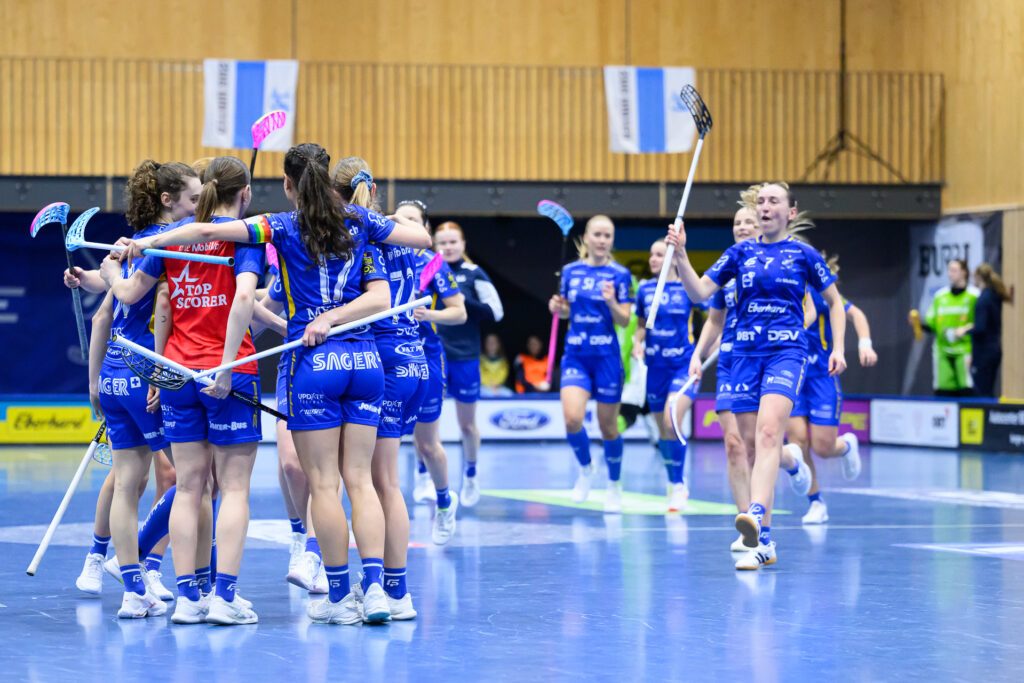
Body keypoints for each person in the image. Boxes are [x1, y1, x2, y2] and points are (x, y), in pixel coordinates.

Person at [121, 144, 432, 625]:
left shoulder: (279, 226)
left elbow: (205, 230)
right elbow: (420, 243)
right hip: (367, 361)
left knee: (323, 484)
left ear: (287, 185)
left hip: (314, 362)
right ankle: (376, 591)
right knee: (362, 481)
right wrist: (373, 217)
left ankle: (339, 597)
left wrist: (146, 244)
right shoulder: (361, 221)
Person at [103, 156, 270, 624]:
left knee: (189, 486)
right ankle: (224, 597)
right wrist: (226, 366)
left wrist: (113, 268)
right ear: (245, 193)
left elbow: (144, 299)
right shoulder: (247, 237)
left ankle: (189, 599)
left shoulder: (170, 237)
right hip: (227, 371)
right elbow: (244, 298)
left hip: (177, 371)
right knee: (232, 488)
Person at [670, 182, 846, 570]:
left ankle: (757, 523)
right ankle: (768, 527)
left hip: (786, 353)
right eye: (761, 201)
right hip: (744, 356)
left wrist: (839, 348)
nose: (765, 206)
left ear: (790, 212)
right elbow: (699, 293)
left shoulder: (804, 254)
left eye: (773, 201)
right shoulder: (738, 254)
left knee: (768, 434)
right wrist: (681, 254)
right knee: (748, 444)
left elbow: (834, 303)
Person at [67, 161, 200, 615]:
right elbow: (150, 302)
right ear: (168, 200)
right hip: (146, 373)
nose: (198, 208)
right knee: (195, 478)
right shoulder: (169, 242)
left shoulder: (137, 243)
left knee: (127, 484)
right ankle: (160, 565)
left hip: (113, 372)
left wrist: (94, 383)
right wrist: (161, 371)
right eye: (193, 199)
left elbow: (109, 305)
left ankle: (132, 590)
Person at [330, 156, 428, 619]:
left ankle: (394, 592)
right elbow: (423, 237)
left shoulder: (360, 232)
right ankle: (395, 589)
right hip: (415, 358)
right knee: (387, 480)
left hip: (383, 358)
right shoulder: (400, 232)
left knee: (377, 481)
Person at [548, 215, 633, 513]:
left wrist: (611, 302)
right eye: (597, 234)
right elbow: (566, 311)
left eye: (607, 236)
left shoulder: (620, 275)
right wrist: (558, 308)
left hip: (607, 358)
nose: (602, 240)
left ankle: (614, 484)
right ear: (586, 237)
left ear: (612, 240)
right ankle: (585, 469)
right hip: (576, 355)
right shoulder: (570, 272)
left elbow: (625, 320)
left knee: (608, 427)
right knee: (572, 420)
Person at [786, 252, 876, 525]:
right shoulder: (780, 289)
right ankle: (816, 502)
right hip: (792, 373)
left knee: (823, 447)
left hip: (822, 376)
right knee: (798, 442)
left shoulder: (820, 290)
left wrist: (864, 343)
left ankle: (846, 446)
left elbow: (856, 314)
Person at [399, 201, 467, 546]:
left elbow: (459, 312)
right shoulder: (380, 256)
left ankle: (444, 501)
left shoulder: (433, 264)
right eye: (401, 220)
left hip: (426, 357)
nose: (407, 225)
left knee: (427, 443)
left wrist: (430, 316)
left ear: (425, 228)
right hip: (389, 358)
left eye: (414, 220)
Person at [434, 221, 505, 507]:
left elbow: (496, 312)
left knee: (467, 425)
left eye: (453, 242)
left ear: (463, 244)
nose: (448, 247)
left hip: (465, 356)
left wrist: (464, 301)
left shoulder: (475, 273)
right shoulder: (427, 269)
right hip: (433, 354)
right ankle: (425, 476)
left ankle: (471, 474)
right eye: (442, 243)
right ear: (435, 245)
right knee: (427, 422)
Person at [634, 238, 701, 513]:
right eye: (652, 254)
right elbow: (641, 325)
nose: (653, 259)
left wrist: (706, 350)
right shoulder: (644, 289)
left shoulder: (688, 287)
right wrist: (637, 342)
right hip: (655, 368)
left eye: (660, 254)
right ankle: (673, 480)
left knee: (671, 421)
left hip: (682, 366)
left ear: (673, 258)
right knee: (663, 432)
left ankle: (679, 485)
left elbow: (715, 315)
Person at [913, 259, 978, 397]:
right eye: (949, 270)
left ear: (964, 272)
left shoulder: (974, 295)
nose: (950, 274)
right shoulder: (940, 296)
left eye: (954, 270)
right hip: (942, 350)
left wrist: (965, 329)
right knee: (943, 391)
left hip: (966, 350)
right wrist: (918, 323)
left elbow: (982, 323)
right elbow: (931, 324)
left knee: (967, 390)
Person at [970, 263, 1010, 397]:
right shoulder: (993, 295)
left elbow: (980, 328)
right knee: (988, 391)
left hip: (983, 353)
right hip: (994, 350)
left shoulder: (983, 299)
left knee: (981, 393)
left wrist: (964, 331)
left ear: (979, 277)